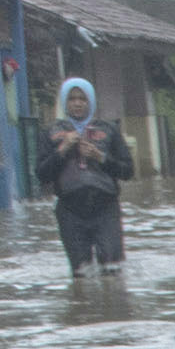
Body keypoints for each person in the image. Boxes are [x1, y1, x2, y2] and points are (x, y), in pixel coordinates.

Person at [40, 76, 132, 273]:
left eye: (82, 99)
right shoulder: (52, 132)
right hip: (70, 210)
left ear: (91, 101)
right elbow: (42, 174)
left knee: (112, 269)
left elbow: (127, 171)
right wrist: (62, 150)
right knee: (81, 272)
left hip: (105, 207)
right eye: (72, 99)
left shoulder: (109, 130)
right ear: (65, 102)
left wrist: (100, 157)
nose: (77, 103)